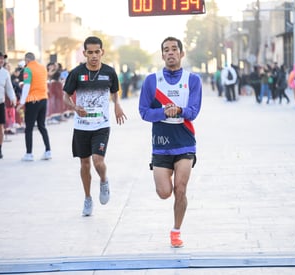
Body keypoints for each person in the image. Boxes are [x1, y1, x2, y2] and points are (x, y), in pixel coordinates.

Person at [138, 37, 202, 248]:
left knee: (180, 189)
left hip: (185, 141)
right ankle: (162, 183)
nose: (171, 52)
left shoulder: (192, 80)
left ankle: (176, 231)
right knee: (164, 192)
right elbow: (144, 112)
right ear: (162, 55)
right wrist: (163, 111)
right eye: (166, 50)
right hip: (161, 143)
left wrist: (180, 111)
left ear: (182, 53)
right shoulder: (151, 81)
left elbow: (193, 112)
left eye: (175, 49)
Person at [63, 36, 127, 217]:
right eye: (89, 52)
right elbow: (65, 97)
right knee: (84, 164)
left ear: (102, 52)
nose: (93, 56)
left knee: (98, 161)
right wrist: (75, 107)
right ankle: (88, 198)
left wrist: (117, 106)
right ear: (84, 53)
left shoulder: (110, 72)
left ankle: (104, 181)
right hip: (82, 126)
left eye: (96, 52)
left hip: (101, 125)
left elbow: (115, 93)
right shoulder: (76, 73)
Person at [16, 52, 52, 161]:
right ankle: (48, 151)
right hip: (43, 99)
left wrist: (21, 103)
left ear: (26, 60)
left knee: (29, 128)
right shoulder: (42, 68)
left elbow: (26, 86)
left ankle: (29, 153)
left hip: (32, 100)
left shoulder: (28, 69)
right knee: (42, 125)